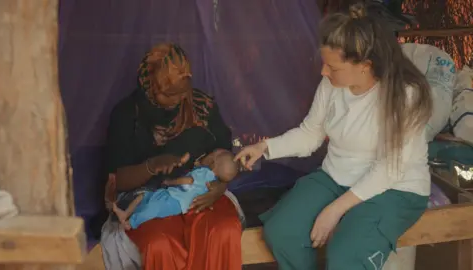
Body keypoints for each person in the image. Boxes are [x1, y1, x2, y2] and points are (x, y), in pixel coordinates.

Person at [235, 3, 433, 270]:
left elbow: (389, 170)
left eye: (332, 67)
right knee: (283, 232)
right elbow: (310, 134)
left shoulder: (404, 95)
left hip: (395, 187)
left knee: (346, 253)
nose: (323, 73)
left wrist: (334, 210)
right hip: (337, 176)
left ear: (365, 65)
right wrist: (264, 147)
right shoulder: (331, 86)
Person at [105, 43, 242, 270]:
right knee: (160, 244)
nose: (180, 99)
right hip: (147, 197)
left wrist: (219, 187)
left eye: (184, 90)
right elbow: (117, 180)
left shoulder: (202, 107)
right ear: (150, 85)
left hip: (200, 190)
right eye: (170, 93)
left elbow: (227, 156)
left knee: (223, 230)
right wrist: (152, 166)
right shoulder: (127, 116)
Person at [112, 149, 239, 230]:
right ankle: (125, 214)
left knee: (153, 207)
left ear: (214, 161)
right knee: (144, 197)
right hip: (173, 195)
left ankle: (131, 223)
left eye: (216, 153)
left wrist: (170, 182)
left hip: (175, 200)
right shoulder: (212, 180)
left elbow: (188, 181)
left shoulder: (205, 174)